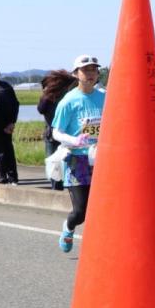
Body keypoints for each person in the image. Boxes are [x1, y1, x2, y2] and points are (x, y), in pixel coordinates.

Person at [50, 54, 106, 253]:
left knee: (103, 207)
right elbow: (56, 132)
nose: (90, 74)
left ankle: (100, 244)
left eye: (93, 70)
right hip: (77, 158)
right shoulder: (69, 101)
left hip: (101, 158)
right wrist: (74, 140)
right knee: (81, 211)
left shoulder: (105, 97)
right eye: (85, 70)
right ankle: (69, 227)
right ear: (76, 74)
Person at [37, 69, 76, 191]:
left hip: (52, 135)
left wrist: (44, 94)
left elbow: (41, 109)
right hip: (68, 135)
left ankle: (56, 189)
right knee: (69, 163)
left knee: (54, 164)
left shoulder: (49, 96)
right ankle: (70, 188)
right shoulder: (69, 93)